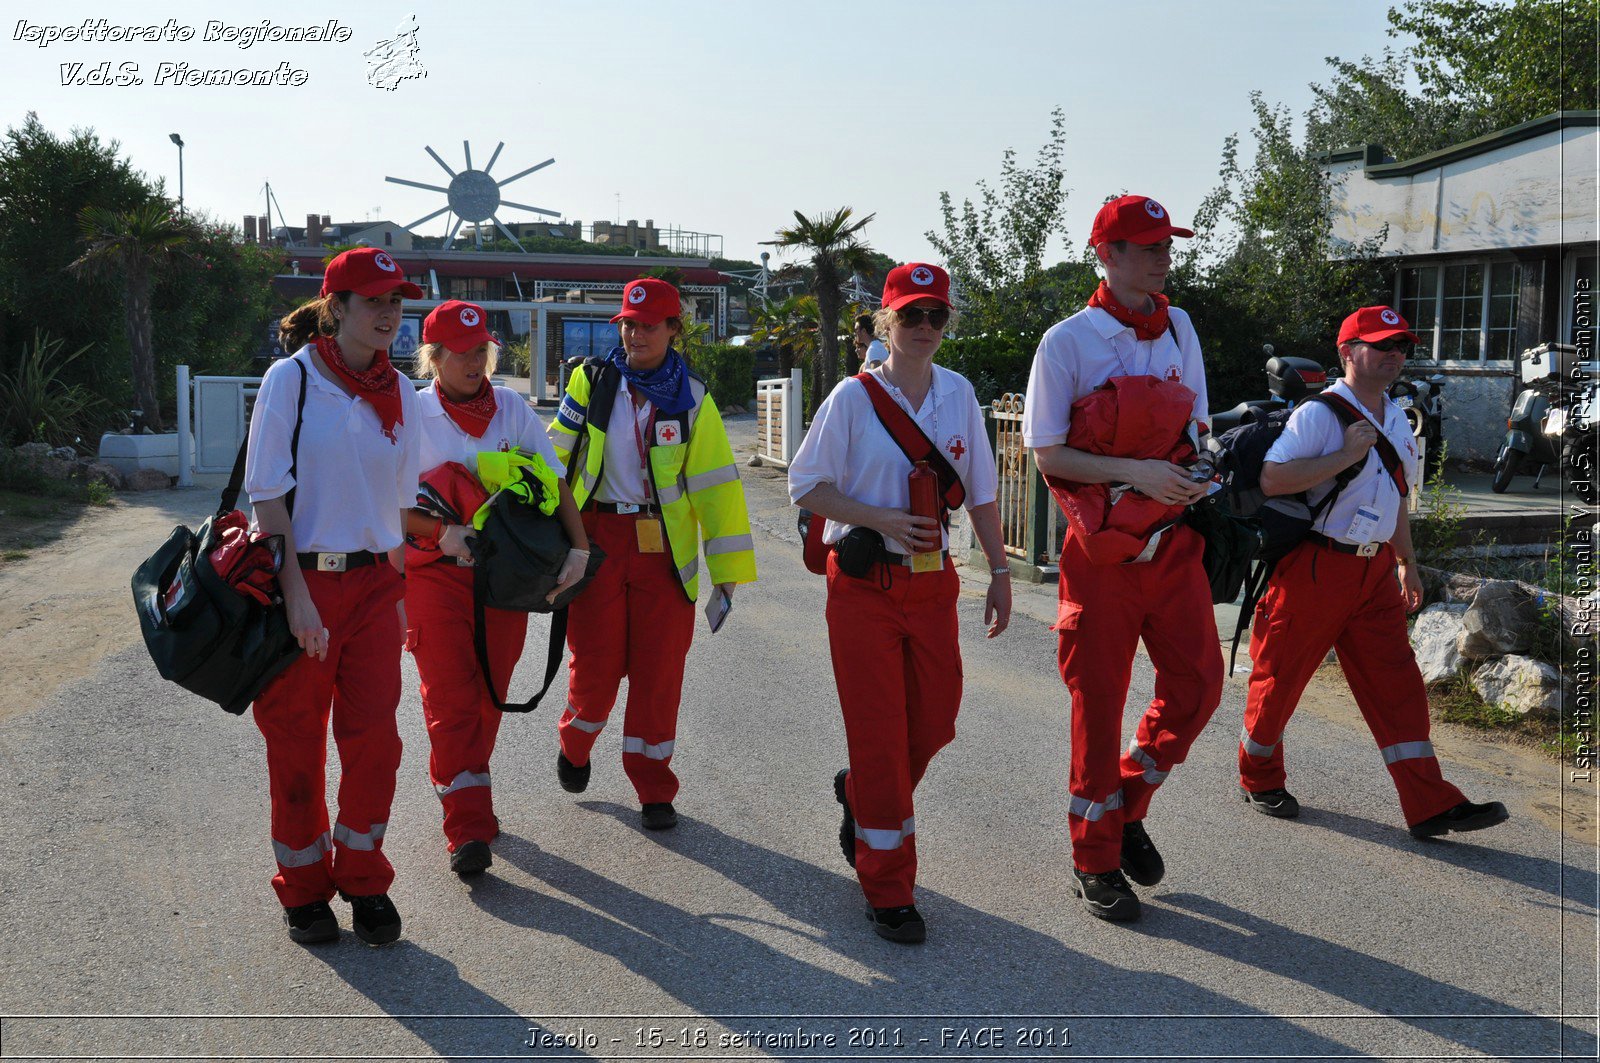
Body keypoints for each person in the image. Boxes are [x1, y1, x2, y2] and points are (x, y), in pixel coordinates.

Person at [789, 262, 1012, 944]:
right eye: (909, 315)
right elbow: (807, 486)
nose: (922, 327)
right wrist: (879, 518)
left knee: (936, 720)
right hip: (863, 588)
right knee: (881, 737)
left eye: (935, 316)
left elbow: (979, 490)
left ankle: (861, 795)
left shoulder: (959, 394)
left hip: (933, 584)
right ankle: (888, 885)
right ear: (885, 323)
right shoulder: (852, 400)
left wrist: (1001, 570)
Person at [1022, 195, 1222, 923]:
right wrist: (1137, 472)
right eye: (1145, 246)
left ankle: (1128, 801)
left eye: (1166, 244)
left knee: (1199, 685)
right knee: (1098, 707)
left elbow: (1198, 425)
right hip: (1100, 558)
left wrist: (1201, 472)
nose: (1162, 256)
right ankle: (1094, 859)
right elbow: (1046, 453)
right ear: (1105, 255)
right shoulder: (1068, 342)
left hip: (1173, 546)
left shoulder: (1181, 327)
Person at [1240, 305, 1509, 838]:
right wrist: (1343, 455)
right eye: (1382, 345)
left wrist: (1406, 563)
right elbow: (1273, 478)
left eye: (1402, 347)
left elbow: (1396, 498)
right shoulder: (1320, 414)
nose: (1395, 355)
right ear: (1348, 353)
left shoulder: (1397, 417)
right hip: (1316, 567)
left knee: (1399, 686)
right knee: (1280, 680)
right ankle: (1259, 774)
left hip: (1374, 573)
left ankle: (1430, 804)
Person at [244, 247, 423, 945]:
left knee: (377, 741)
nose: (389, 314)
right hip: (305, 578)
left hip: (378, 582)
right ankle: (304, 888)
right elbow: (267, 497)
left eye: (397, 302)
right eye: (374, 300)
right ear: (336, 306)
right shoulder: (291, 380)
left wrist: (403, 595)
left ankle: (363, 874)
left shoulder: (402, 393)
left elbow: (398, 505)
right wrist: (295, 595)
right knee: (295, 740)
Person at [547, 278, 758, 831]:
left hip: (664, 552)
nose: (635, 333)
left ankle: (654, 786)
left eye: (647, 324)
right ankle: (575, 743)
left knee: (659, 674)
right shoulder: (590, 381)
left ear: (672, 330)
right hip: (596, 543)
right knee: (594, 669)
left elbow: (716, 488)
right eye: (628, 324)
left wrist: (728, 575)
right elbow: (554, 457)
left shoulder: (694, 396)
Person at [403, 300, 590, 877]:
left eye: (480, 350)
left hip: (503, 580)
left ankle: (466, 790)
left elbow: (554, 484)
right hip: (434, 575)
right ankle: (466, 826)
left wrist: (579, 549)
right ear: (432, 358)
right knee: (450, 697)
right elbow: (384, 503)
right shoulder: (408, 415)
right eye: (458, 353)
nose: (472, 362)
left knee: (488, 693)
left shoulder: (511, 408)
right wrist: (443, 532)